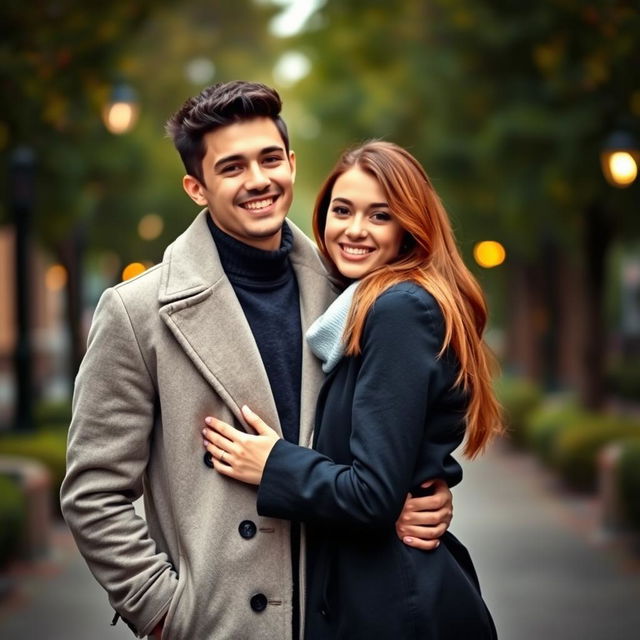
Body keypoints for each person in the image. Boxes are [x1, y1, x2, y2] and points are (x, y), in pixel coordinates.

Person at [60, 82, 454, 640]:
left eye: (270, 158)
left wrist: (416, 494)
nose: (259, 181)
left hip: (339, 614)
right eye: (232, 167)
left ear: (292, 163)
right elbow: (93, 491)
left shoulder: (351, 291)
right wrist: (161, 611)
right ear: (196, 187)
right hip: (221, 623)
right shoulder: (138, 311)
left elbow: (376, 447)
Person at [202, 140, 503, 639]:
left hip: (395, 607)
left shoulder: (399, 309)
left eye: (379, 216)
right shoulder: (360, 307)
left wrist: (272, 463)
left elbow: (372, 496)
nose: (354, 230)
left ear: (409, 228)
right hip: (377, 591)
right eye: (342, 211)